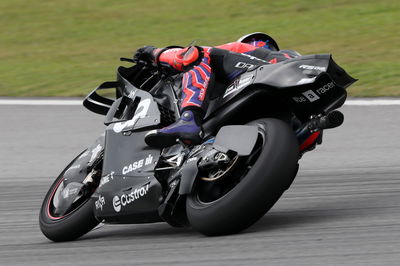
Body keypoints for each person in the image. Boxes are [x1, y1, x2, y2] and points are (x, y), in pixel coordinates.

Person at [134, 32, 300, 148]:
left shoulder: (243, 49)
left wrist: (154, 53)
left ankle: (188, 119)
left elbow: (190, 55)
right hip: (290, 115)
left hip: (266, 77)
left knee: (198, 53)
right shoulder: (291, 61)